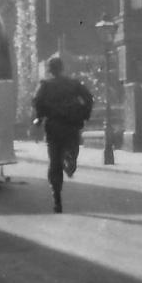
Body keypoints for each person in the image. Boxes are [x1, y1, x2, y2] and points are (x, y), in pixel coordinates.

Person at [32, 57, 93, 213]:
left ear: (50, 70)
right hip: (71, 125)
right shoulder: (73, 84)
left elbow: (37, 101)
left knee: (54, 162)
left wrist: (39, 117)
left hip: (53, 126)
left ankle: (57, 198)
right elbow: (88, 98)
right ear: (62, 68)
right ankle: (70, 159)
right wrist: (84, 114)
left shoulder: (45, 85)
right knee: (72, 148)